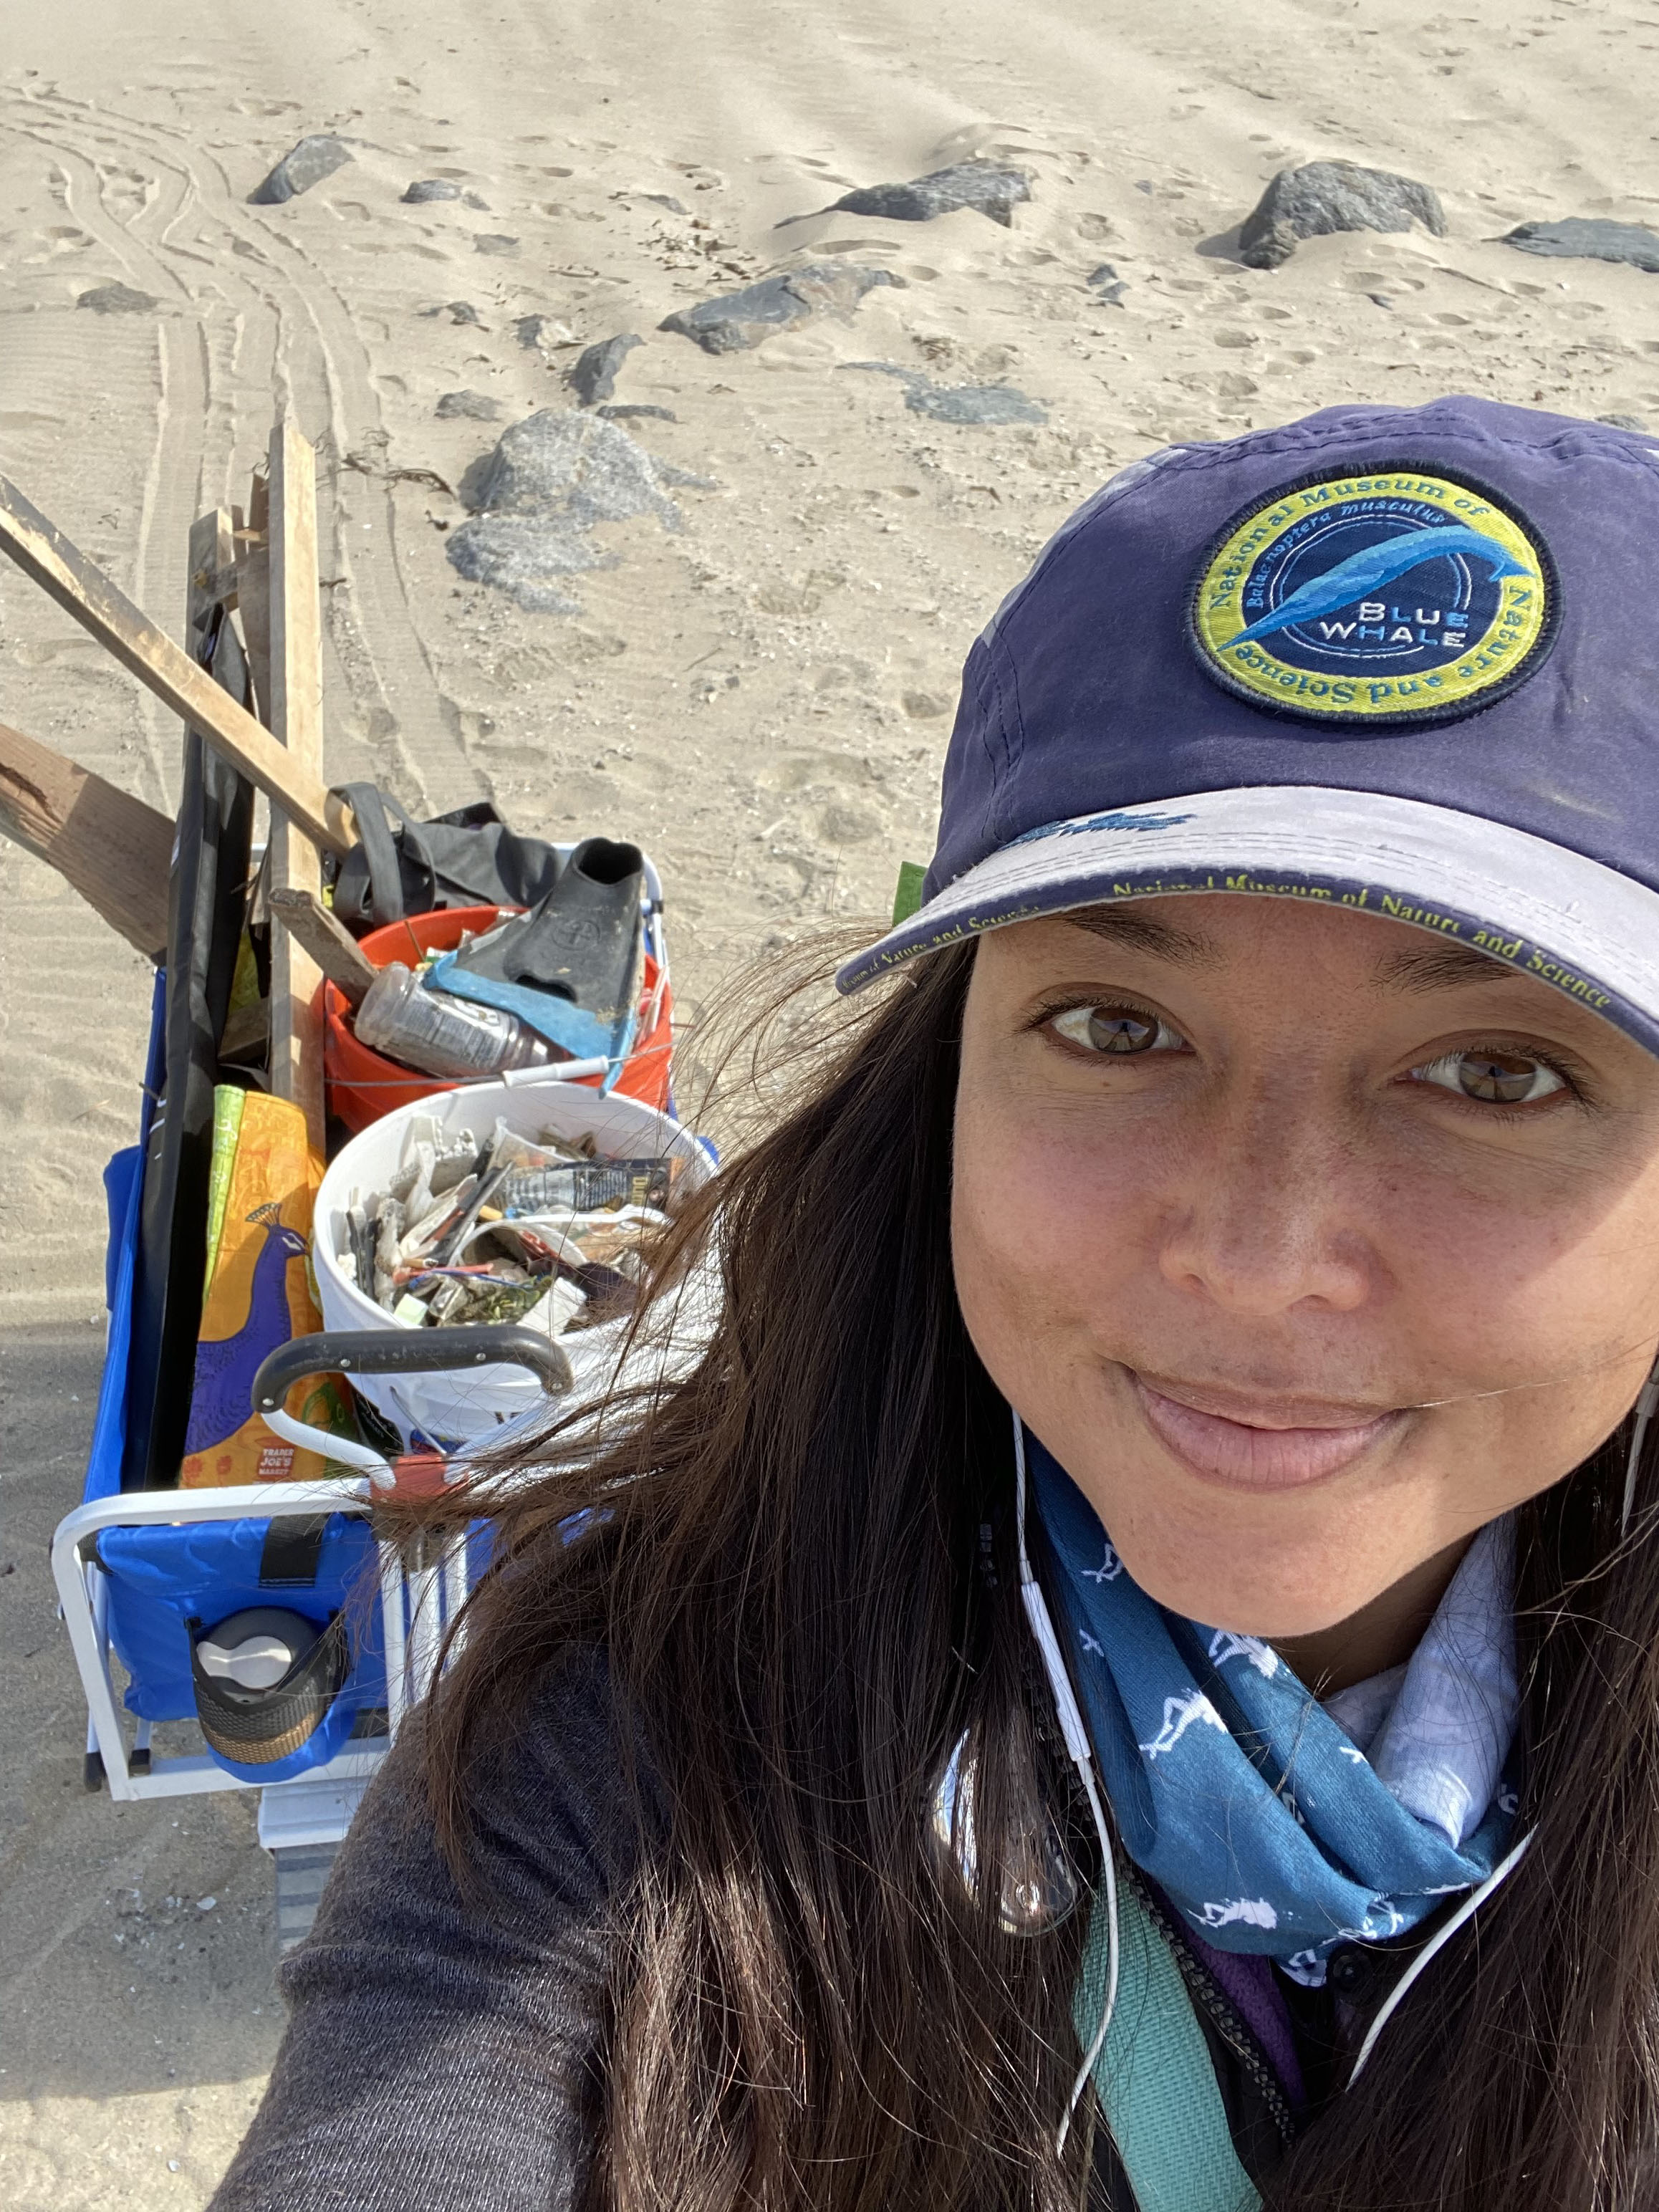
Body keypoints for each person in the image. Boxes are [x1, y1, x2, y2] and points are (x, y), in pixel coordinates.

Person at [213, 397, 1659, 2211]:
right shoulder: (631, 1739)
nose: (1262, 1250)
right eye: (1119, 1026)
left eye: (1496, 1072)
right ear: (950, 1075)